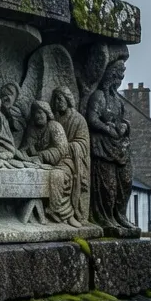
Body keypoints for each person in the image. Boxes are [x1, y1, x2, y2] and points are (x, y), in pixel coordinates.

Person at [86, 60, 136, 230]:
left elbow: (124, 119)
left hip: (120, 148)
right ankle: (106, 218)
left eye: (121, 76)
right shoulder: (99, 96)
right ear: (110, 76)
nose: (120, 79)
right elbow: (92, 118)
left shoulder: (118, 100)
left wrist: (124, 126)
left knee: (126, 183)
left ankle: (120, 215)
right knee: (108, 186)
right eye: (117, 75)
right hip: (103, 148)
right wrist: (107, 129)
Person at [20, 100, 77, 225]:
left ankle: (60, 212)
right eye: (35, 113)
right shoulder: (32, 129)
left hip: (62, 163)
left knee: (57, 176)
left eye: (40, 112)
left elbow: (61, 150)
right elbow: (25, 147)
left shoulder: (54, 126)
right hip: (39, 164)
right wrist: (24, 153)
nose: (38, 116)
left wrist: (40, 155)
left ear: (47, 114)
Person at [52, 87, 92, 227]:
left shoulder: (78, 120)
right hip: (55, 157)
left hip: (72, 159)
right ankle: (54, 212)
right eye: (55, 99)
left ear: (68, 100)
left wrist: (66, 146)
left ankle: (66, 213)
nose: (57, 102)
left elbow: (83, 143)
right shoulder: (55, 119)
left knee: (59, 176)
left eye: (60, 99)